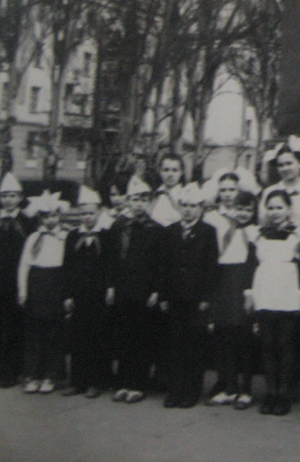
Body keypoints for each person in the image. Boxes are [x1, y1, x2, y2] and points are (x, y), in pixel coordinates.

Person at [158, 183, 218, 409]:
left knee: (194, 345)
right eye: (183, 205)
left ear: (201, 208)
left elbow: (211, 267)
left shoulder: (208, 232)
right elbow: (163, 265)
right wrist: (164, 295)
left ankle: (191, 391)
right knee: (174, 345)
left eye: (193, 206)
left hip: (196, 298)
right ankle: (175, 390)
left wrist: (206, 297)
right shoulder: (170, 231)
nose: (188, 210)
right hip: (174, 297)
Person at [247, 190, 300, 416]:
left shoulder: (297, 236)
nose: (274, 212)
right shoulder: (259, 235)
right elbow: (252, 264)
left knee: (285, 344)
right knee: (268, 345)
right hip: (265, 291)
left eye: (279, 207)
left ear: (289, 210)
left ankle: (284, 394)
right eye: (270, 207)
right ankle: (270, 393)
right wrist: (250, 294)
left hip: (287, 293)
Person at [203, 174, 259, 408]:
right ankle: (228, 385)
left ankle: (246, 389)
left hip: (245, 286)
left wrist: (251, 292)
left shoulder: (256, 232)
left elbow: (255, 264)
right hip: (225, 284)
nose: (242, 213)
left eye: (247, 209)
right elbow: (218, 260)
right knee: (224, 336)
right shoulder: (223, 230)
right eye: (238, 209)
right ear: (232, 209)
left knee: (244, 339)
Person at [0, 172, 36, 388]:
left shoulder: (27, 222)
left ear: (20, 197)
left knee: (14, 326)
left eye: (13, 195)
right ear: (0, 198)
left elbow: (33, 253)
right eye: (5, 196)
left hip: (17, 283)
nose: (9, 200)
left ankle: (12, 371)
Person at [105, 175, 161, 404]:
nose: (139, 203)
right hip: (122, 288)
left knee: (142, 336)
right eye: (135, 199)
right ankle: (123, 381)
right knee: (123, 335)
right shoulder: (119, 226)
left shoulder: (154, 229)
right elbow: (111, 258)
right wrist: (110, 286)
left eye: (144, 199)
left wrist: (156, 290)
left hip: (144, 290)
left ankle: (138, 383)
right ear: (128, 200)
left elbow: (159, 264)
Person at [62, 187, 111, 398]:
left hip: (99, 294)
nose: (87, 217)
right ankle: (78, 381)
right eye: (83, 213)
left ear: (99, 212)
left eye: (90, 213)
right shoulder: (73, 236)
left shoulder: (106, 235)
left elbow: (112, 265)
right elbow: (67, 267)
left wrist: (110, 287)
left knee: (98, 336)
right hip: (79, 294)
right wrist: (67, 295)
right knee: (78, 337)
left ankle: (96, 381)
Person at [18, 193, 68, 394]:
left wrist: (67, 293)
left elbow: (69, 266)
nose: (50, 220)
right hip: (37, 284)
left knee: (54, 331)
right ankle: (33, 374)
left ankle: (51, 375)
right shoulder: (33, 238)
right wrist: (23, 290)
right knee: (35, 331)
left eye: (53, 215)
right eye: (46, 216)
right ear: (40, 217)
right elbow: (24, 265)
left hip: (56, 284)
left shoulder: (65, 236)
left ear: (59, 216)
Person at [259, 137, 300, 231]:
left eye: (289, 164)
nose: (285, 169)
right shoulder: (270, 191)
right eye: (280, 165)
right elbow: (263, 223)